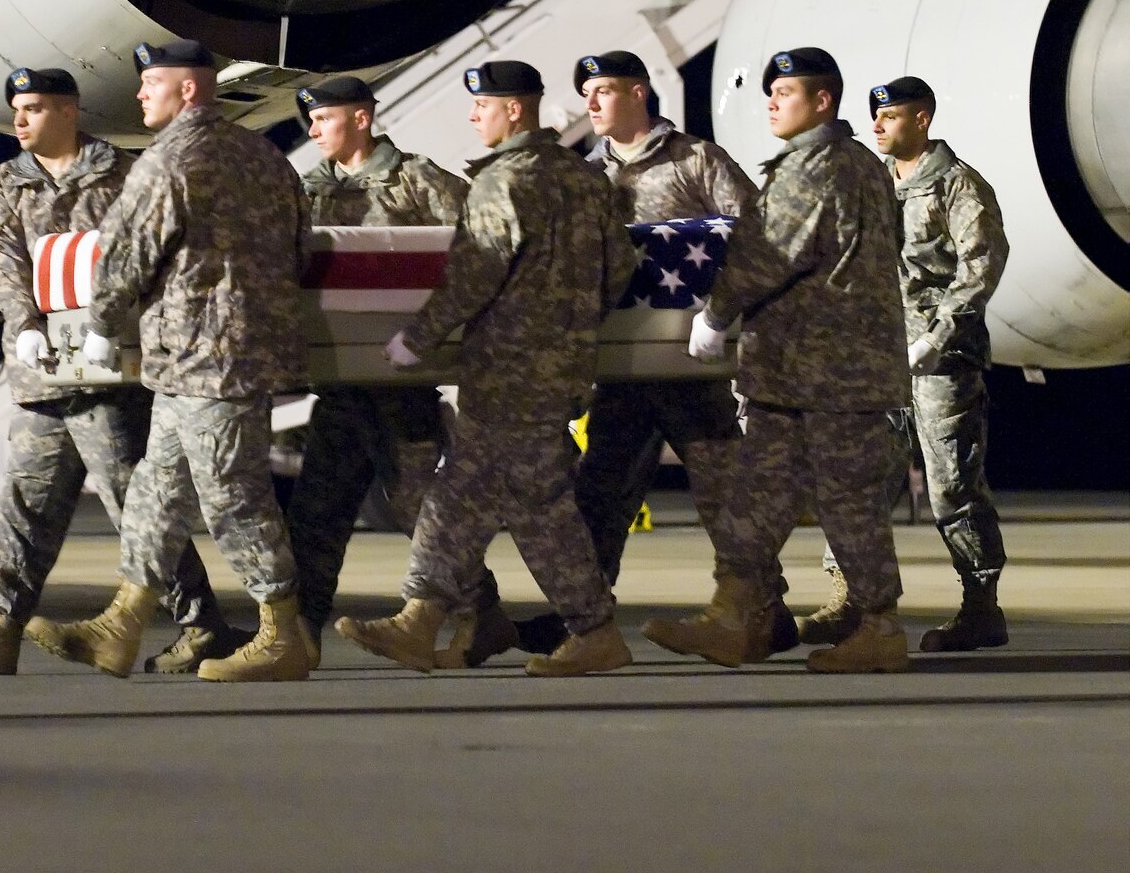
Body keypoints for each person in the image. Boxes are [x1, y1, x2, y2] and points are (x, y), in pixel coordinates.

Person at [0, 67, 240, 675]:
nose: (20, 120)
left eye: (35, 108)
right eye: (17, 108)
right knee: (26, 503)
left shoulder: (127, 172)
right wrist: (26, 324)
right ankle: (0, 624)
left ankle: (201, 624)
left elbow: (152, 251)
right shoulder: (3, 186)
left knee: (132, 500)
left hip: (112, 369)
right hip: (43, 374)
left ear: (69, 111)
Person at [24, 39, 315, 682]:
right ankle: (120, 625)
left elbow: (125, 255)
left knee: (232, 494)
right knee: (157, 488)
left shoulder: (170, 159)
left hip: (205, 359)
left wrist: (99, 324)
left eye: (151, 82)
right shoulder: (266, 156)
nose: (139, 93)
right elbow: (302, 251)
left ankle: (281, 633)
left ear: (188, 90)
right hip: (225, 356)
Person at [338, 60, 639, 677]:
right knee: (508, 498)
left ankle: (581, 628)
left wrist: (417, 339)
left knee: (492, 497)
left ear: (516, 110)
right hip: (559, 366)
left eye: (483, 106)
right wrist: (571, 324)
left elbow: (475, 273)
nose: (474, 116)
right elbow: (622, 268)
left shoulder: (504, 183)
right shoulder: (585, 181)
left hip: (509, 371)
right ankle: (428, 620)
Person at [510, 51, 797, 654]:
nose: (591, 102)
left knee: (725, 497)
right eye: (586, 91)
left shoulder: (697, 161)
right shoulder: (589, 175)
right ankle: (579, 617)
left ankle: (764, 611)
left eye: (604, 90)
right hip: (622, 367)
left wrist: (727, 320)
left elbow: (754, 235)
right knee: (598, 495)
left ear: (639, 93)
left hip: (691, 365)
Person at [644, 48, 913, 673]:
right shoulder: (860, 165)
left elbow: (765, 256)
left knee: (847, 505)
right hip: (800, 375)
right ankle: (736, 619)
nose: (771, 100)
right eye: (771, 91)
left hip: (828, 376)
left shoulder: (814, 171)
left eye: (785, 91)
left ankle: (880, 630)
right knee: (756, 499)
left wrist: (715, 316)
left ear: (822, 101)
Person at [283, 76, 512, 668]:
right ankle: (295, 637)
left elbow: (479, 250)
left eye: (323, 119)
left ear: (361, 119)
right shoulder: (305, 192)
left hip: (402, 383)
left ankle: (480, 615)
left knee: (418, 507)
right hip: (341, 381)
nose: (312, 131)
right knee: (316, 513)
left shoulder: (419, 180)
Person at [800, 77, 1010, 651]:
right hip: (875, 358)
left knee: (952, 488)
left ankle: (980, 605)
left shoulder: (957, 186)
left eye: (890, 117)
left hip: (941, 362)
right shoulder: (873, 185)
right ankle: (849, 597)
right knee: (859, 481)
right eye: (876, 117)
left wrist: (938, 337)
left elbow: (980, 267)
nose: (878, 126)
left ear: (922, 119)